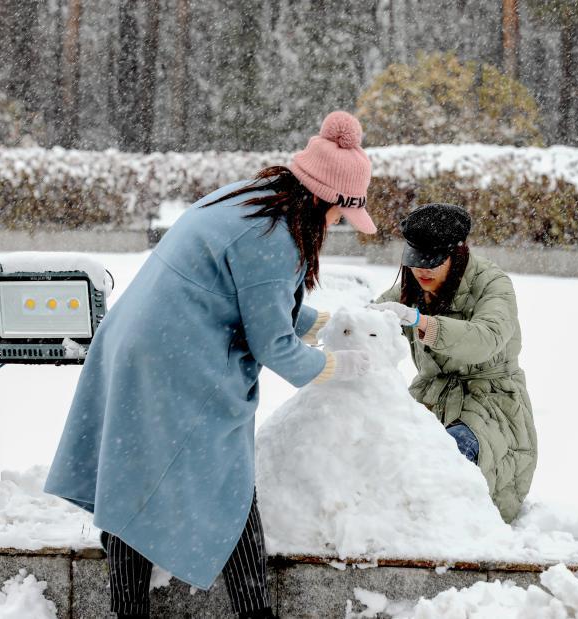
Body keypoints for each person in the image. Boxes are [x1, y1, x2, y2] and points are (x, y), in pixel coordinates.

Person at [44, 111, 376, 619]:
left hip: (141, 342)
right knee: (230, 483)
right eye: (340, 215)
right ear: (321, 198)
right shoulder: (275, 239)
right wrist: (338, 365)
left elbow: (253, 297)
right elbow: (273, 345)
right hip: (175, 357)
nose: (337, 225)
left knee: (133, 475)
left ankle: (130, 611)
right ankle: (254, 612)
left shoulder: (249, 199)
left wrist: (323, 322)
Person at [370, 203, 537, 523]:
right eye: (416, 260)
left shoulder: (493, 284)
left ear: (456, 255)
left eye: (433, 261)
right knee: (383, 447)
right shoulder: (409, 289)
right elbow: (367, 319)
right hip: (429, 398)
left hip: (492, 403)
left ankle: (441, 529)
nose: (422, 271)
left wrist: (423, 323)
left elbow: (487, 338)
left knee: (449, 454)